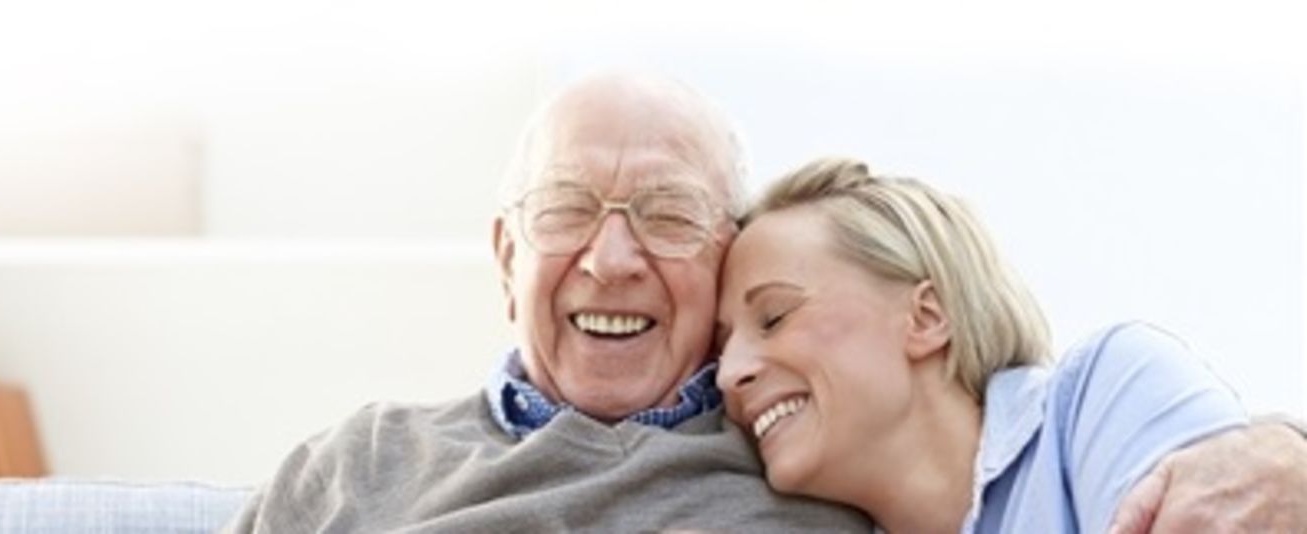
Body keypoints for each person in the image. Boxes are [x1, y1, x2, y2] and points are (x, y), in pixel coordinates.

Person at [225, 73, 1307, 532]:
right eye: (566, 210)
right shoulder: (352, 466)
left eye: (666, 212)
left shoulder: (804, 471)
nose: (611, 258)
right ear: (504, 250)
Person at [714, 157, 1297, 532]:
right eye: (724, 345)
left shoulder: (1099, 398)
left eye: (775, 316)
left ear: (927, 316)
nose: (729, 373)